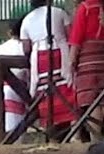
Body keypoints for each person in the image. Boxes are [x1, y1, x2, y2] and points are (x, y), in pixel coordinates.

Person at [20, 0, 76, 134]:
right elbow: (70, 35)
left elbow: (26, 47)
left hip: (39, 58)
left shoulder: (26, 20)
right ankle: (75, 131)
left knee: (44, 92)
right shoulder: (59, 12)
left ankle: (49, 131)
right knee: (67, 89)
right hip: (60, 53)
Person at [69, 0, 104, 132]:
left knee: (94, 105)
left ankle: (96, 141)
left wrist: (71, 63)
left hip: (90, 65)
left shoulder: (86, 8)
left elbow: (76, 41)